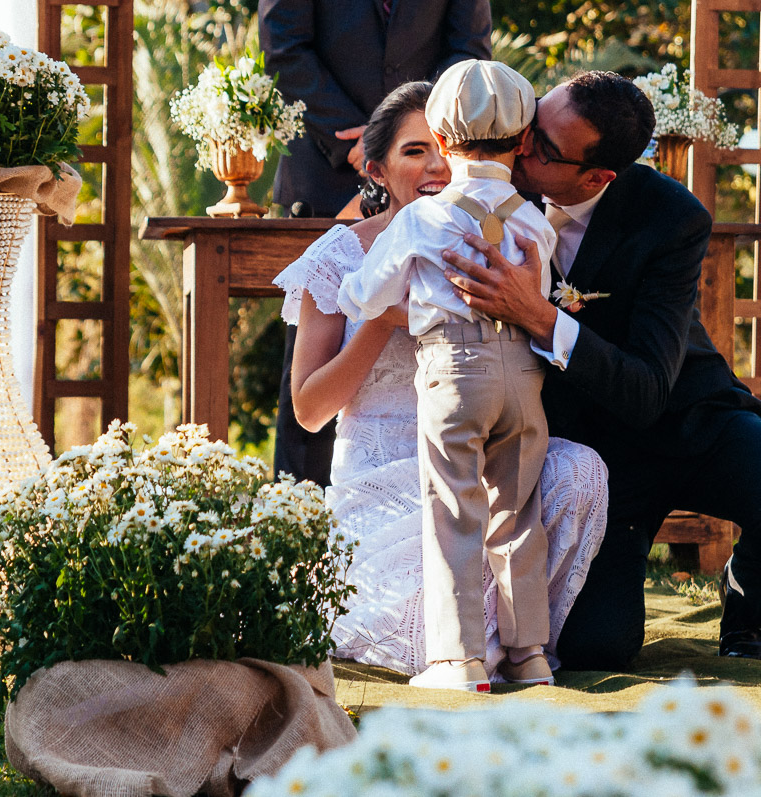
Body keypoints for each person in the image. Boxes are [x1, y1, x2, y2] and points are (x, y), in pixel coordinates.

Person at [443, 71, 761, 668]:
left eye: (543, 148)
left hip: (688, 416)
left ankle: (747, 606)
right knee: (595, 649)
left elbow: (649, 387)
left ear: (597, 176)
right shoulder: (493, 189)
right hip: (596, 458)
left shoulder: (670, 218)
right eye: (528, 129)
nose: (519, 147)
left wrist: (541, 318)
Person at [273, 81, 608, 684]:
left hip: (477, 438)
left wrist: (523, 306)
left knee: (576, 472)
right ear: (375, 168)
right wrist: (383, 317)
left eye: (439, 148)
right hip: (384, 480)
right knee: (441, 572)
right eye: (412, 151)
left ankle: (509, 647)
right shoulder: (340, 255)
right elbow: (309, 410)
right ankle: (488, 649)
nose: (435, 165)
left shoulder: (501, 235)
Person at [338, 61, 557, 691]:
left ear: (439, 134)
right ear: (522, 142)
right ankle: (529, 656)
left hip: (454, 373)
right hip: (522, 373)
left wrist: (360, 294)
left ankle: (457, 660)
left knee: (453, 509)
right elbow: (536, 289)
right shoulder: (533, 219)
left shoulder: (419, 219)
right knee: (518, 514)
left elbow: (367, 292)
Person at [260, 0, 491, 488]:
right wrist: (369, 143)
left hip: (434, 154)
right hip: (327, 168)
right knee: (311, 356)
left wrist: (429, 126)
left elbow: (469, 50)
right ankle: (300, 522)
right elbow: (284, 45)